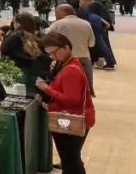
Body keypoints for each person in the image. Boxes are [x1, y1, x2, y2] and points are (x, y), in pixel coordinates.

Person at [36, 32, 95, 174]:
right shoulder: (70, 64)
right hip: (73, 117)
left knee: (70, 160)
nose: (52, 57)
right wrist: (51, 103)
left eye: (54, 53)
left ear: (66, 48)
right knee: (70, 159)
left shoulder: (70, 70)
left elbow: (73, 101)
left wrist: (47, 89)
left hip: (71, 120)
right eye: (50, 54)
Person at [47, 4, 96, 94]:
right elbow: (92, 43)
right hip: (84, 57)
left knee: (66, 87)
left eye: (56, 12)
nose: (56, 15)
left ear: (64, 12)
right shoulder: (86, 23)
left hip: (65, 60)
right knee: (87, 87)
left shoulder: (57, 24)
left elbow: (47, 39)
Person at [79, 0, 115, 71]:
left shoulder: (93, 6)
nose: (80, 2)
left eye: (81, 0)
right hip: (101, 27)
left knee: (102, 44)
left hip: (98, 28)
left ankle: (109, 62)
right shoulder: (96, 4)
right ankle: (109, 61)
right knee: (103, 44)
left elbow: (92, 16)